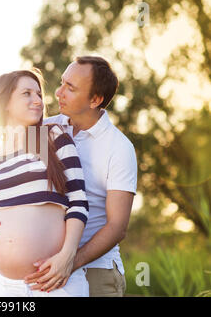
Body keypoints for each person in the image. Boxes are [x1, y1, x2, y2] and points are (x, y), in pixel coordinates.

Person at [0, 68, 90, 297]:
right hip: (2, 286)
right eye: (27, 94)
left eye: (39, 94)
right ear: (5, 103)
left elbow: (78, 203)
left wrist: (67, 257)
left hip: (55, 281)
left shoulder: (53, 139)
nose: (38, 101)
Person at [23, 56, 137, 297]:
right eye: (62, 82)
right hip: (45, 270)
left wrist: (69, 262)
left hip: (94, 271)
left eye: (70, 88)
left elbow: (117, 227)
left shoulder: (119, 148)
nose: (57, 92)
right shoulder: (45, 130)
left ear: (95, 100)